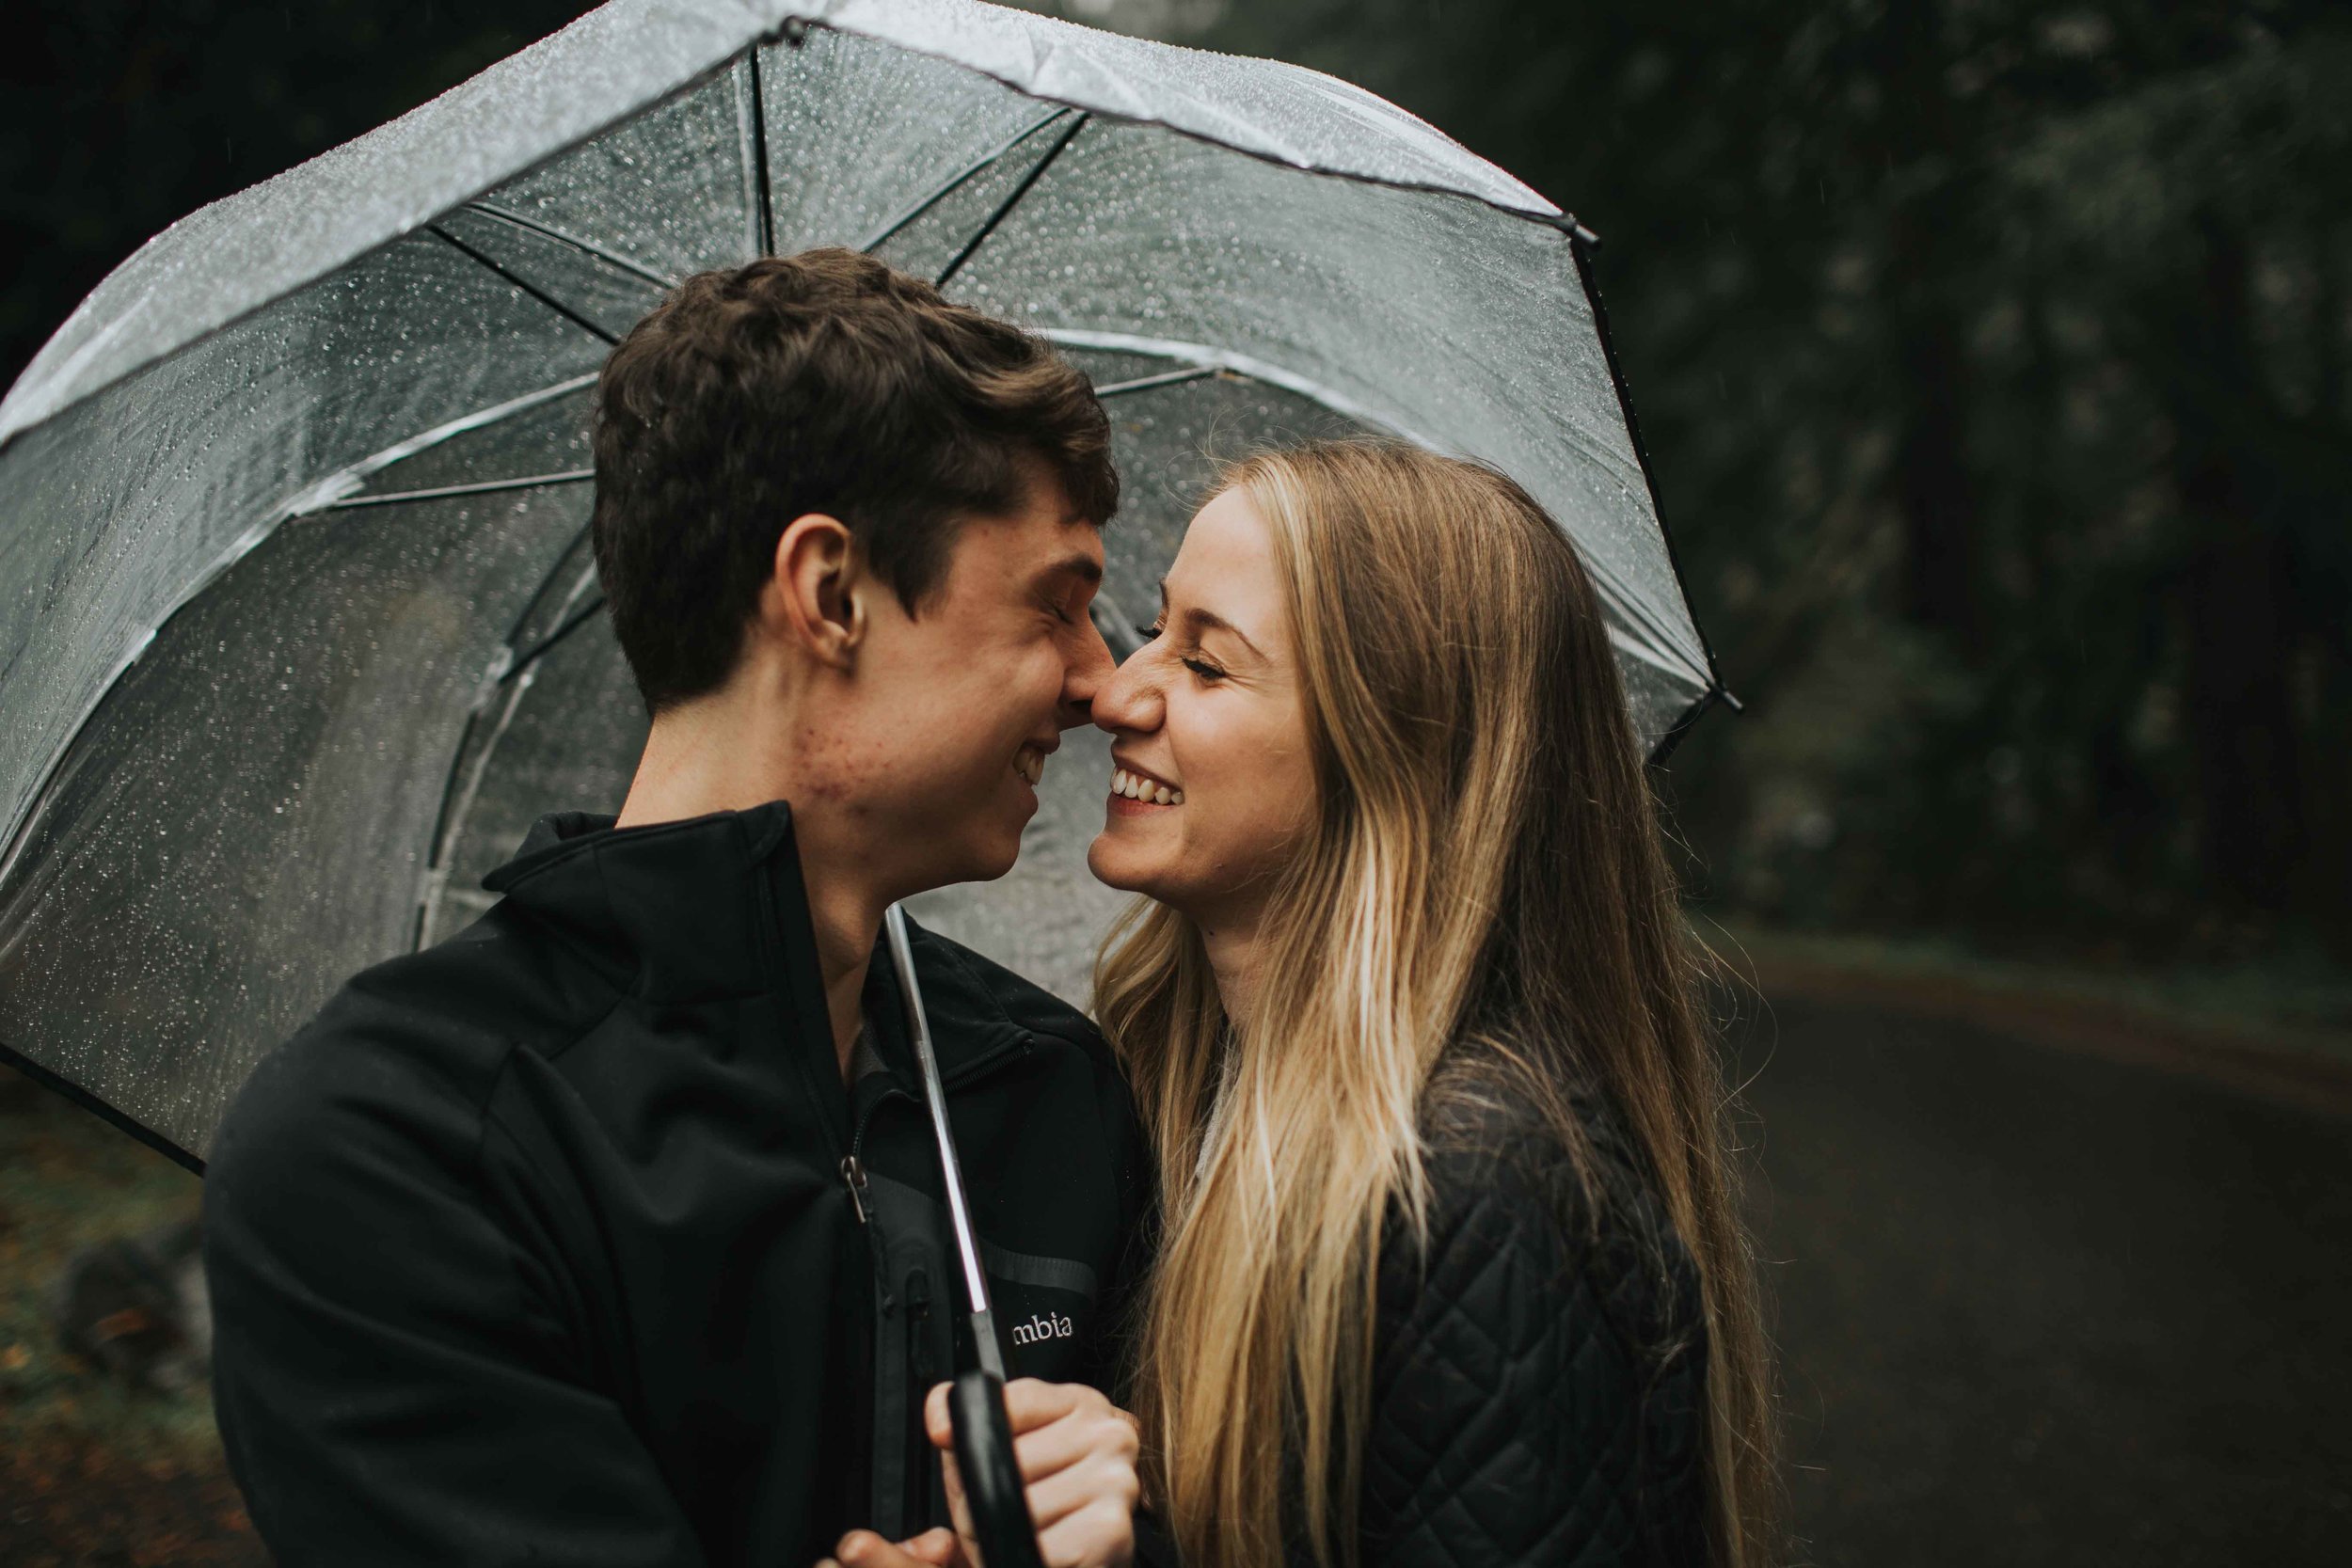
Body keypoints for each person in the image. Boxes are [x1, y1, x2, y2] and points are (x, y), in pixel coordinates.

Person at [201, 250, 1152, 1568]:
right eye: (1059, 604)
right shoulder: (398, 1144)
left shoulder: (1056, 1096)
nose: (1103, 685)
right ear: (830, 594)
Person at [1084, 441, 1779, 1567]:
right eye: (1154, 630)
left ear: (1392, 752)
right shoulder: (1167, 1076)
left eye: (1207, 666)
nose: (1117, 689)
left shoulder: (1481, 1178)